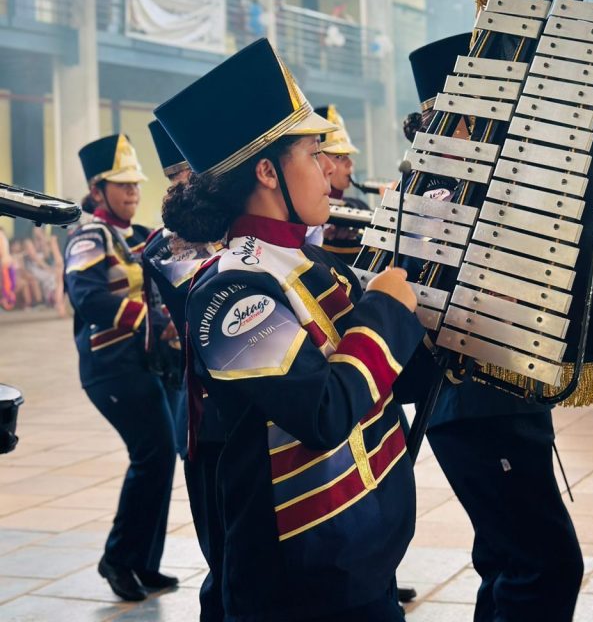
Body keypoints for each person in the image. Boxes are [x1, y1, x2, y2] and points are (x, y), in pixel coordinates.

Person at [154, 38, 425, 622]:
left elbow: (387, 381)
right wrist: (385, 310)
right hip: (298, 578)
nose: (330, 168)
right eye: (313, 152)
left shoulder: (314, 263)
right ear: (266, 171)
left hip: (360, 557)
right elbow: (323, 412)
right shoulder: (228, 290)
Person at [404, 32, 584, 622]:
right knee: (546, 566)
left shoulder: (467, 182)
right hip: (476, 403)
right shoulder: (439, 191)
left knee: (508, 562)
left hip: (495, 401)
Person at [63, 134, 179, 603]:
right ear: (97, 190)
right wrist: (151, 323)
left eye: (135, 184)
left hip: (148, 362)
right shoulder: (88, 235)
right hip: (112, 365)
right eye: (122, 184)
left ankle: (143, 562)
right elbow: (87, 297)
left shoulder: (141, 234)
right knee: (153, 452)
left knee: (160, 456)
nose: (133, 192)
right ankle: (118, 558)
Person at [143, 118, 226, 622]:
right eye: (182, 178)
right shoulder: (167, 247)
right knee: (224, 559)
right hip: (206, 418)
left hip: (235, 418)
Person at [314, 104, 368, 265]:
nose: (350, 163)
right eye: (339, 156)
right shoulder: (307, 215)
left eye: (348, 155)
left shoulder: (359, 206)